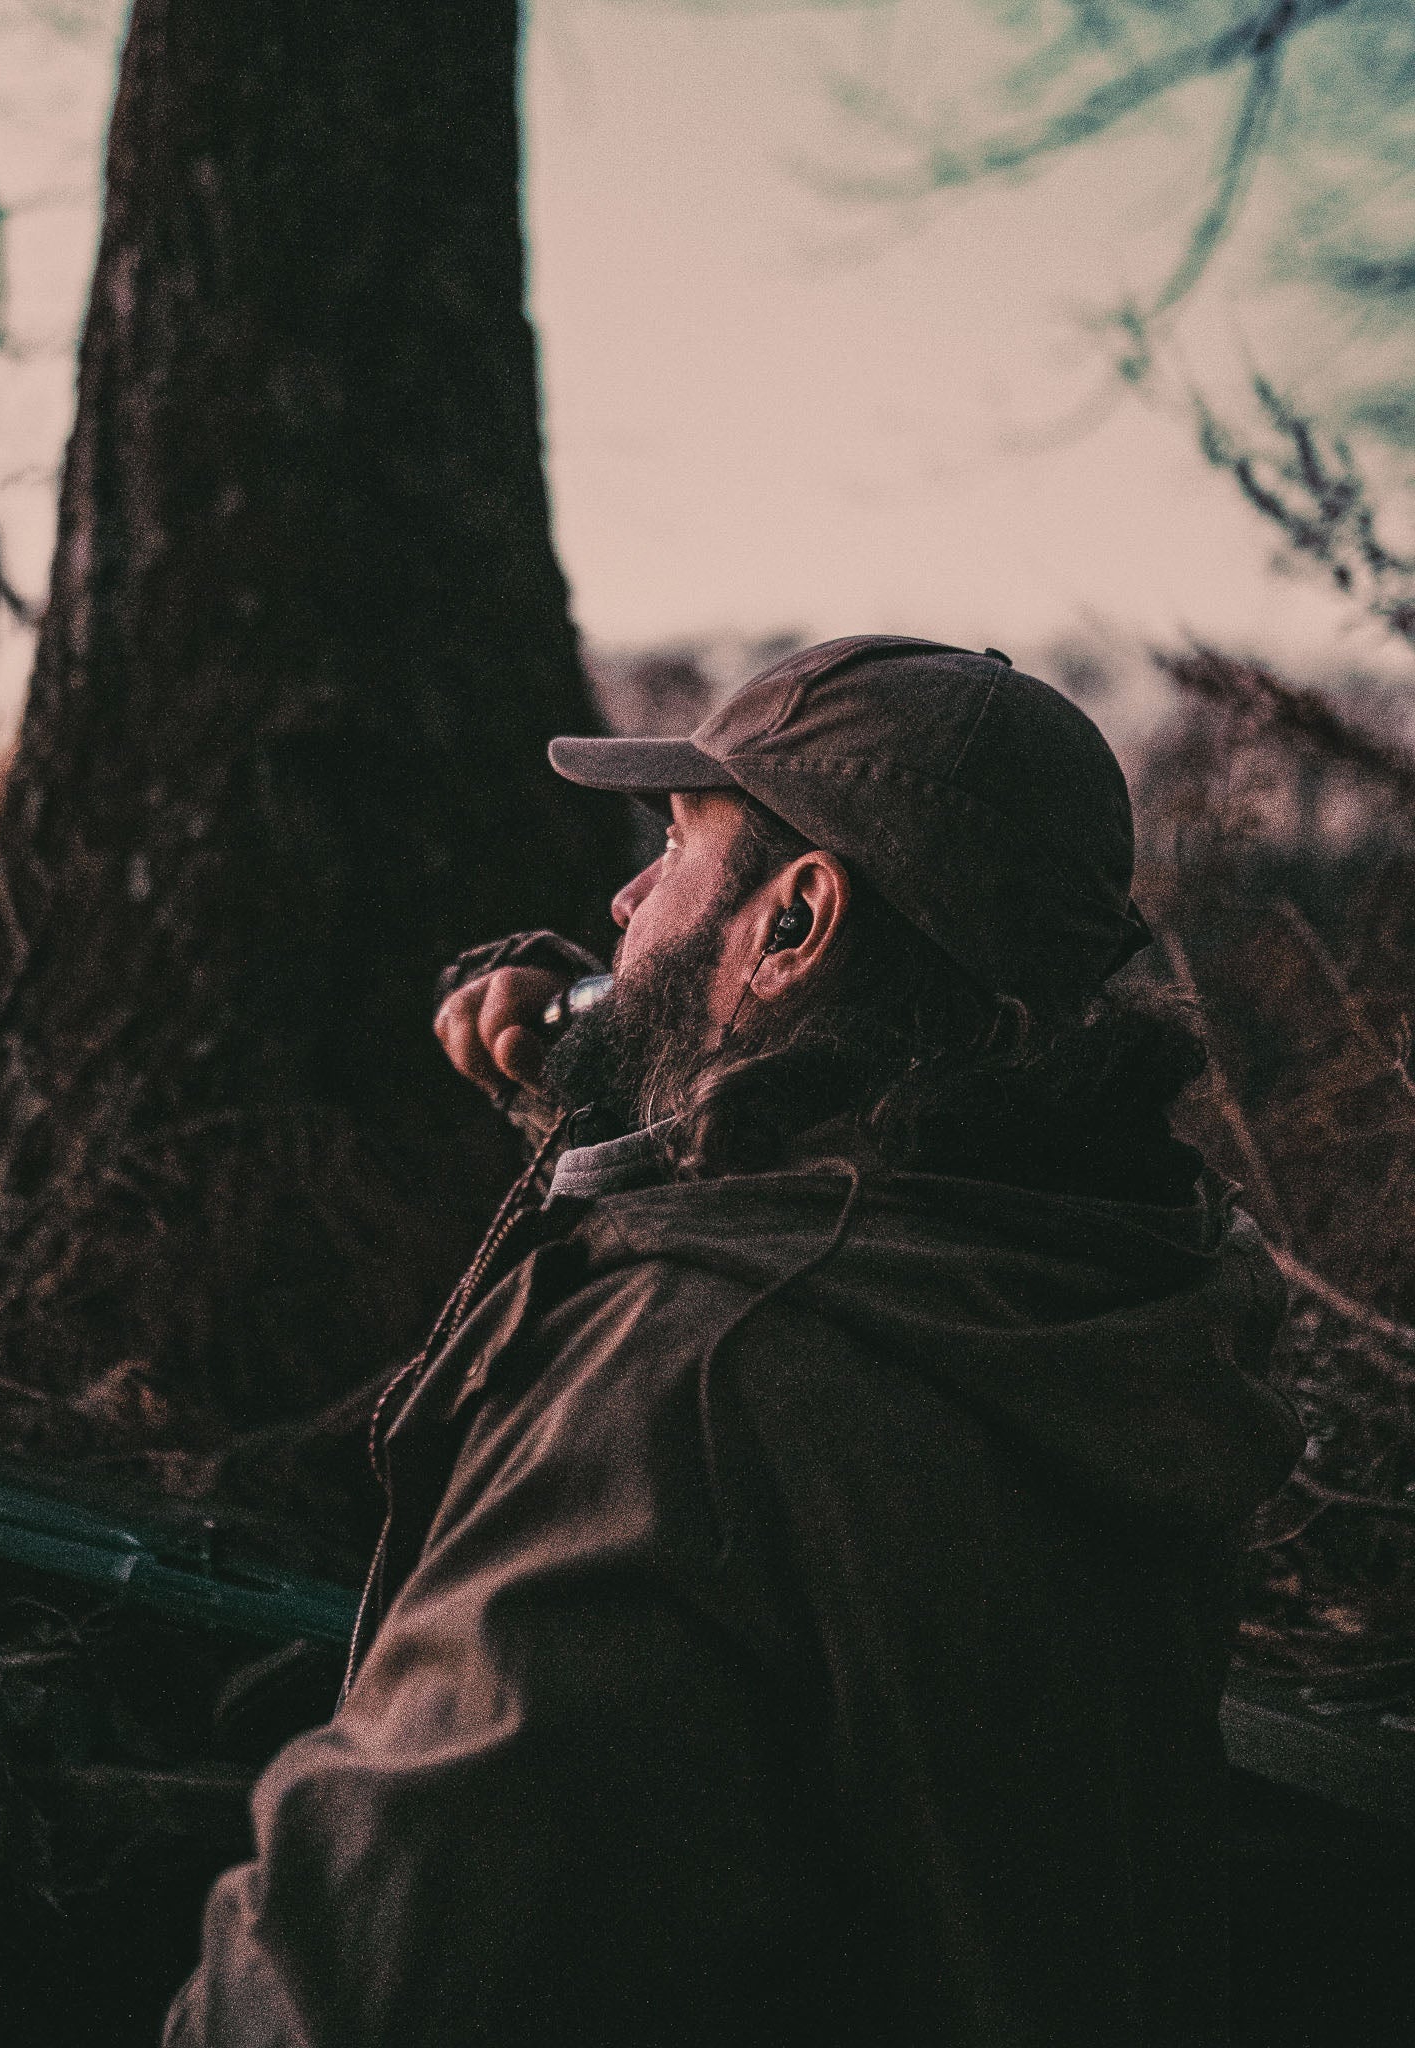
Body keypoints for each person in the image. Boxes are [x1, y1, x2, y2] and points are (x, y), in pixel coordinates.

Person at [165, 636, 1304, 2047]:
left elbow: (351, 1996)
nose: (626, 896)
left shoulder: (695, 1379)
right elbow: (822, 1186)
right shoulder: (1115, 1276)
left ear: (796, 918)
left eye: (674, 850)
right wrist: (611, 1051)